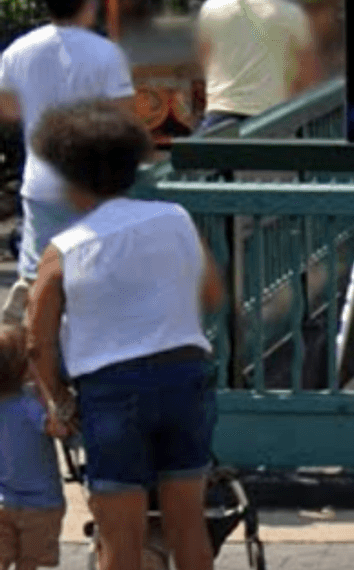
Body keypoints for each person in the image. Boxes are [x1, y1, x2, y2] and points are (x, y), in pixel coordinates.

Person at [25, 100, 226, 570]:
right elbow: (213, 293)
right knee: (188, 525)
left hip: (113, 390)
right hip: (185, 374)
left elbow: (38, 339)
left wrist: (58, 403)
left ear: (70, 179)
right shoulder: (176, 217)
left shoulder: (63, 250)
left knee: (120, 537)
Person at [0, 0, 136, 328]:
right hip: (93, 183)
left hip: (39, 181)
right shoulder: (106, 53)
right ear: (89, 2)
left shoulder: (18, 51)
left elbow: (7, 109)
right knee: (94, 277)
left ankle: (33, 333)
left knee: (41, 271)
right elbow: (125, 119)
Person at [195, 0, 321, 132]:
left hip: (220, 122)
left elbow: (205, 62)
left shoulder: (211, 9)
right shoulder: (291, 15)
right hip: (272, 120)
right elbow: (307, 78)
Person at [0, 326, 66, 570]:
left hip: (3, 501)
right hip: (41, 504)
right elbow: (59, 429)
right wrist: (42, 383)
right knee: (28, 564)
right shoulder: (30, 405)